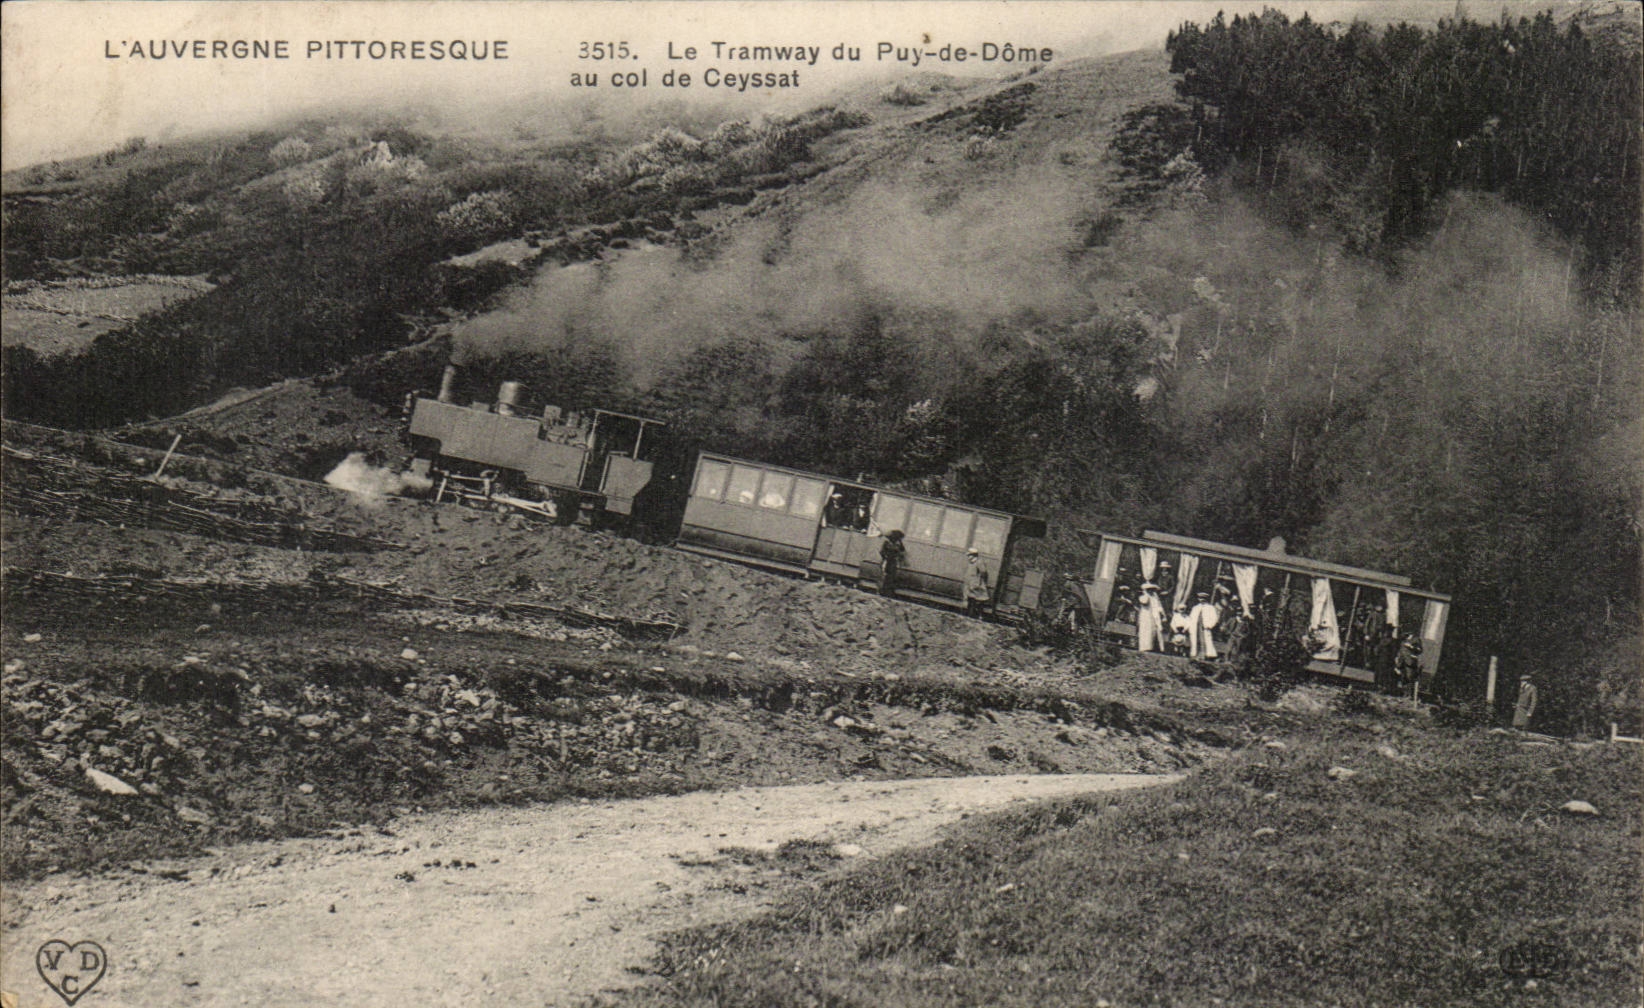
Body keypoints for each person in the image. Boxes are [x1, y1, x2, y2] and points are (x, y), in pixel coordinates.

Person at [1187, 591, 1220, 660]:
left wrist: (1210, 625)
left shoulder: (1210, 608)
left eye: (1203, 598)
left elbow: (1215, 618)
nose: (1201, 599)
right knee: (1195, 640)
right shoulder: (1195, 608)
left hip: (1205, 627)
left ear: (1206, 599)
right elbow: (1191, 618)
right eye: (1200, 598)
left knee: (1205, 640)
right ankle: (1195, 655)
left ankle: (1206, 655)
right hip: (1196, 626)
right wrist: (1190, 626)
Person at [1136, 582, 1167, 652]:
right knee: (1144, 631)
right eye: (1149, 589)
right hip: (1145, 616)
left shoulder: (1155, 599)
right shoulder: (1144, 597)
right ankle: (1143, 647)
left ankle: (1150, 647)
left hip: (1153, 616)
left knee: (1152, 631)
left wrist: (1163, 616)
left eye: (1152, 590)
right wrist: (1145, 594)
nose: (1151, 591)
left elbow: (1159, 608)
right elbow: (1144, 601)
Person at [963, 546, 991, 618]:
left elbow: (984, 572)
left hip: (977, 585)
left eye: (970, 555)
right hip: (971, 585)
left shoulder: (979, 562)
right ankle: (970, 615)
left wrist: (980, 582)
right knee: (971, 600)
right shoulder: (971, 563)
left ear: (974, 555)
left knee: (978, 600)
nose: (968, 557)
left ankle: (978, 616)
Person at [879, 530, 907, 597]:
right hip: (887, 560)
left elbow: (903, 551)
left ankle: (888, 592)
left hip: (893, 561)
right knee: (884, 575)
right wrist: (885, 557)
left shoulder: (899, 543)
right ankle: (882, 590)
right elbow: (882, 551)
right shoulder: (887, 543)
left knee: (891, 576)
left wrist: (898, 556)